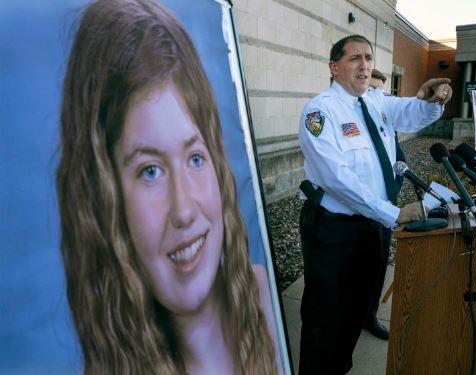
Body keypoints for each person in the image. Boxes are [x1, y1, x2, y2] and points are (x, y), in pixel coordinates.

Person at [56, 0, 279, 374]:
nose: (185, 210)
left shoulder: (264, 297)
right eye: (149, 171)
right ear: (104, 200)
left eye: (195, 158)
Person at [298, 34, 452, 374]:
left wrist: (428, 101)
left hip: (373, 225)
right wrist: (394, 213)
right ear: (334, 67)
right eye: (355, 58)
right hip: (335, 231)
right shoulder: (320, 111)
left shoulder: (375, 100)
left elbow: (410, 114)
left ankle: (339, 367)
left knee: (356, 311)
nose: (364, 64)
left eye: (368, 57)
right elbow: (336, 178)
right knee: (327, 318)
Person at [362, 68, 406, 340]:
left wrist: (391, 197)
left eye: (381, 91)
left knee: (378, 266)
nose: (377, 96)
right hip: (354, 213)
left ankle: (369, 317)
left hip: (384, 211)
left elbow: (399, 162)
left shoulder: (386, 123)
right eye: (371, 90)